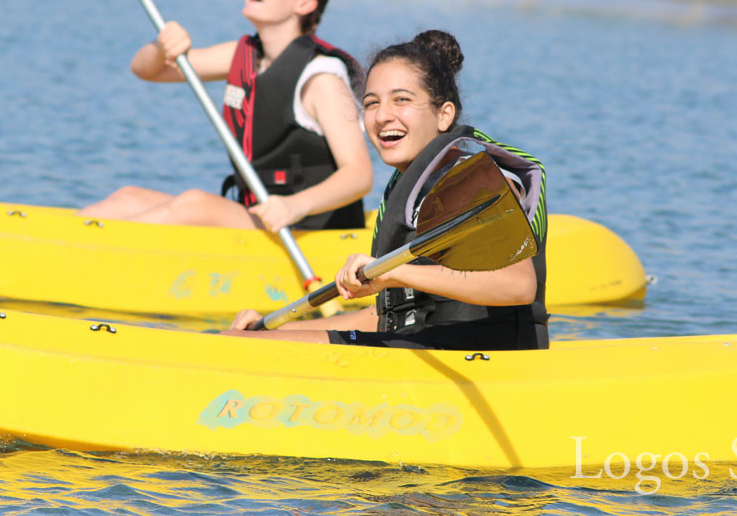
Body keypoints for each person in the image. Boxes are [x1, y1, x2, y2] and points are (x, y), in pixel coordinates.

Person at [226, 30, 549, 351]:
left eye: (402, 100)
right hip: (419, 349)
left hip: (483, 362)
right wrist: (268, 331)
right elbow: (386, 319)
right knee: (244, 341)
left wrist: (399, 274)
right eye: (371, 103)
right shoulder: (406, 187)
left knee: (241, 348)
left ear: (444, 114)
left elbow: (517, 286)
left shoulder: (477, 182)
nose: (382, 116)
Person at [79, 0, 373, 232]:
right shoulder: (243, 56)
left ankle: (85, 253)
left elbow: (359, 175)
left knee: (193, 205)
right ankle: (53, 245)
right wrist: (161, 47)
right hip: (257, 213)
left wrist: (295, 205)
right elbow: (146, 70)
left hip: (308, 226)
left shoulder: (321, 80)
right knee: (127, 198)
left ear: (305, 4)